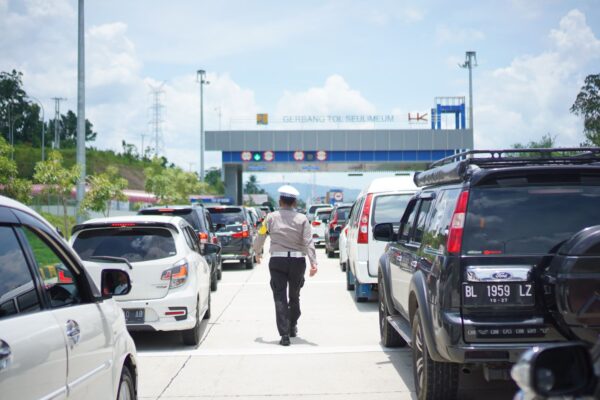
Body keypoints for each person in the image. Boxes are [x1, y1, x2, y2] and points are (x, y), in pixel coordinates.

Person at [254, 185, 318, 346]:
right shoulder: (303, 219)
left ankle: (284, 335)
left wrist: (257, 252)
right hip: (297, 262)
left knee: (279, 297)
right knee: (295, 295)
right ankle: (293, 324)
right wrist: (313, 263)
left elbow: (261, 234)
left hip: (277, 262)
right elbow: (308, 241)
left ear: (280, 200)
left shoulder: (270, 217)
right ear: (295, 202)